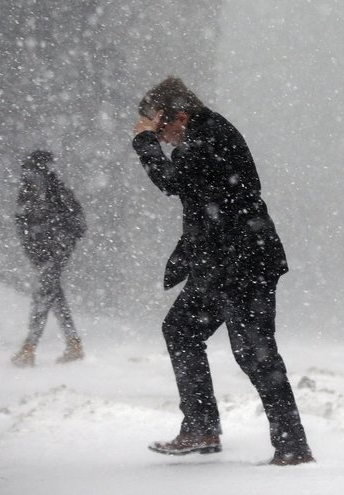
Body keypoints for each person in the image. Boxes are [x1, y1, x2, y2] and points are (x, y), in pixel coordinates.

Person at [131, 77, 314, 466]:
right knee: (182, 329)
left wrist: (143, 142)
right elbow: (199, 200)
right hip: (223, 261)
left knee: (255, 353)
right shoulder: (201, 135)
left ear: (180, 115)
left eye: (161, 129)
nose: (162, 139)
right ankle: (201, 427)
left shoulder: (208, 136)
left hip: (244, 261)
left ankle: (292, 446)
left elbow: (171, 182)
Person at [12, 150, 86, 367]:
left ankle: (29, 348)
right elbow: (22, 226)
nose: (30, 177)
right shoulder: (26, 195)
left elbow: (79, 224)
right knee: (54, 296)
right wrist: (34, 251)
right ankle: (73, 344)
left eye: (34, 172)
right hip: (41, 256)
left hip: (55, 253)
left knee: (42, 295)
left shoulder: (59, 194)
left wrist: (61, 241)